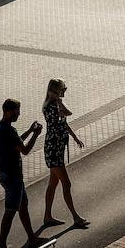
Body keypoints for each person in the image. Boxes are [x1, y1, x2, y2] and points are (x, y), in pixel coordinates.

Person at [0, 99, 49, 248]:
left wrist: (30, 131)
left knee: (23, 205)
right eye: (17, 111)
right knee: (10, 211)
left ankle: (32, 237)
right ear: (8, 111)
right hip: (13, 177)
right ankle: (1, 245)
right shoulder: (9, 130)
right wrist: (36, 134)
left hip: (5, 174)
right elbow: (24, 150)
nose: (19, 114)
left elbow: (17, 143)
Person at [41, 79, 88, 230]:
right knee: (66, 183)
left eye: (64, 89)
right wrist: (57, 100)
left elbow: (64, 121)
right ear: (52, 91)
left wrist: (75, 138)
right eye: (62, 90)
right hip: (53, 150)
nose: (64, 92)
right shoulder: (49, 107)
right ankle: (75, 217)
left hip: (58, 149)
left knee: (53, 184)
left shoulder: (56, 104)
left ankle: (47, 217)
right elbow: (67, 113)